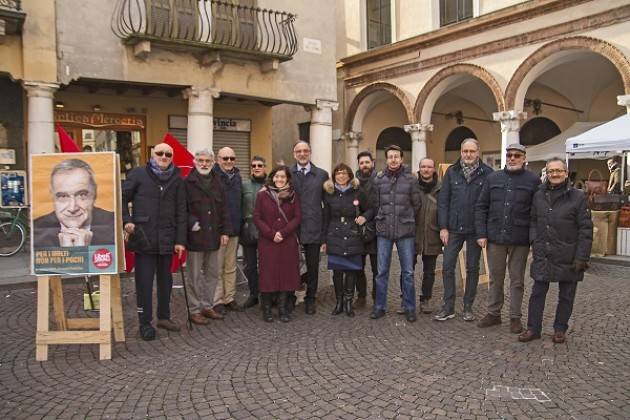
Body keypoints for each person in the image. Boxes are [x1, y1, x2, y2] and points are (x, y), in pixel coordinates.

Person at [519, 157, 593, 344]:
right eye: (551, 171)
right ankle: (533, 329)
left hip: (569, 253)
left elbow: (586, 229)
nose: (555, 174)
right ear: (547, 173)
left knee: (566, 295)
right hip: (544, 251)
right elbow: (533, 220)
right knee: (537, 293)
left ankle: (560, 329)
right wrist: (534, 240)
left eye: (558, 170)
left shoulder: (577, 196)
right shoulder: (539, 194)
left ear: (566, 173)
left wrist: (582, 256)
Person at [122, 143, 186, 340]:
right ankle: (145, 322)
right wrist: (127, 220)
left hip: (167, 238)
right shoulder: (138, 174)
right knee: (144, 283)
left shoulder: (177, 178)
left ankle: (164, 317)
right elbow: (122, 198)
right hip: (144, 237)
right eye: (160, 153)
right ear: (152, 154)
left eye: (168, 154)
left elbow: (182, 211)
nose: (164, 156)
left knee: (166, 282)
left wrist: (180, 240)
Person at [475, 144, 541, 334]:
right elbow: (481, 206)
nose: (512, 158)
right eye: (509, 155)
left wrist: (533, 238)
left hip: (520, 238)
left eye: (516, 155)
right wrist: (481, 233)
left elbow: (536, 212)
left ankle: (515, 317)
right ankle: (494, 313)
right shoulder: (493, 178)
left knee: (517, 280)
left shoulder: (533, 180)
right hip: (495, 236)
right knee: (495, 278)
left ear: (524, 158)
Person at [435, 138, 493, 322]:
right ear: (461, 152)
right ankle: (448, 306)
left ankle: (468, 306)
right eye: (465, 151)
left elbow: (489, 205)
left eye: (472, 151)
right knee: (447, 266)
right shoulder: (452, 173)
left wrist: (484, 231)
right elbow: (443, 202)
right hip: (453, 228)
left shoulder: (488, 173)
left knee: (472, 268)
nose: (468, 155)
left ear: (478, 152)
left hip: (475, 229)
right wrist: (443, 227)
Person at [370, 145, 421, 323]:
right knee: (381, 271)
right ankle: (379, 306)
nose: (393, 159)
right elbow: (376, 204)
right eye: (390, 157)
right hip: (384, 230)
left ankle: (409, 307)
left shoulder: (411, 179)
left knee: (408, 272)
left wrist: (406, 217)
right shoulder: (379, 179)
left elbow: (417, 204)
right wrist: (382, 217)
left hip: (405, 230)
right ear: (386, 159)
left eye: (396, 157)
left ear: (401, 159)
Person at [184, 149, 229, 325]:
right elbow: (182, 209)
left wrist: (225, 231)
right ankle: (194, 310)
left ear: (212, 163)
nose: (204, 164)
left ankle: (207, 305)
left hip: (214, 236)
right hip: (195, 237)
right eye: (201, 160)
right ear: (195, 162)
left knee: (213, 274)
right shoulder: (187, 182)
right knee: (194, 276)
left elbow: (224, 209)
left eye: (207, 161)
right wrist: (191, 222)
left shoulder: (218, 182)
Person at [253, 165, 302, 322]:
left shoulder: (293, 195)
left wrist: (283, 232)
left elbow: (297, 217)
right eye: (277, 176)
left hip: (287, 242)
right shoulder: (262, 195)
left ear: (287, 179)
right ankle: (266, 310)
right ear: (272, 177)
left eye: (283, 177)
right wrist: (272, 234)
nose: (279, 179)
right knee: (268, 275)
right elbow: (257, 217)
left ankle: (282, 309)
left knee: (286, 275)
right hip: (268, 242)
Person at [322, 163, 372, 317]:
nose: (341, 176)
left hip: (353, 234)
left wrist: (364, 217)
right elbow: (325, 218)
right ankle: (339, 303)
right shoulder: (329, 193)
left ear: (350, 175)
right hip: (334, 235)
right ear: (334, 176)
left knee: (351, 271)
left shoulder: (358, 192)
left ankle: (349, 303)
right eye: (338, 173)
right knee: (337, 272)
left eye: (344, 173)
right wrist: (324, 240)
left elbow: (370, 208)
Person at [34, 159, 114, 248]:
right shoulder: (36, 230)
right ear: (52, 196)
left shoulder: (115, 224)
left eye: (82, 195)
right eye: (63, 196)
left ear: (95, 193)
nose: (72, 208)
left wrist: (84, 252)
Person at [290, 141, 329, 315]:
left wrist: (324, 234)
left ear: (310, 153)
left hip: (314, 226)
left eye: (305, 151)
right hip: (292, 227)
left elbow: (327, 205)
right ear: (294, 154)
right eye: (299, 151)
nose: (302, 154)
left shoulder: (322, 175)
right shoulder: (287, 174)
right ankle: (290, 295)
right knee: (291, 265)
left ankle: (310, 298)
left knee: (313, 267)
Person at [211, 147, 243, 314]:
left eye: (232, 158)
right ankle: (217, 301)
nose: (229, 161)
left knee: (231, 266)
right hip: (219, 231)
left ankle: (229, 297)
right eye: (225, 158)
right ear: (218, 160)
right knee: (217, 267)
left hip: (235, 229)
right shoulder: (212, 177)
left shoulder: (237, 177)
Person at [414, 158, 443, 314]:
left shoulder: (441, 188)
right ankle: (406, 300)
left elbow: (445, 210)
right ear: (419, 169)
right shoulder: (412, 187)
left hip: (432, 233)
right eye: (423, 166)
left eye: (429, 167)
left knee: (429, 271)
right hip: (412, 234)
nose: (426, 169)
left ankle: (426, 299)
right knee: (408, 269)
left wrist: (443, 228)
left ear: (433, 169)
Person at [240, 155, 268, 309]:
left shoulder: (271, 185)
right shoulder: (244, 186)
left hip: (266, 229)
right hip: (248, 229)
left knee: (266, 264)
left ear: (264, 167)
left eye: (259, 165)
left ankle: (266, 293)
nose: (256, 168)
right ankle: (253, 293)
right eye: (253, 166)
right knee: (250, 265)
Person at [355, 151, 377, 307]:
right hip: (358, 230)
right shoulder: (353, 182)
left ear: (372, 163)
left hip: (376, 229)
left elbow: (380, 205)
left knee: (377, 269)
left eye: (367, 162)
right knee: (358, 267)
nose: (364, 165)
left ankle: (378, 297)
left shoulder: (380, 181)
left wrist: (367, 216)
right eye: (361, 163)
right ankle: (361, 296)